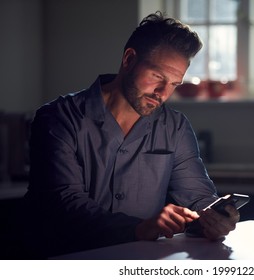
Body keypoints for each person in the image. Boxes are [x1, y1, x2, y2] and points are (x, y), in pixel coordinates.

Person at [22, 11, 240, 258]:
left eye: (174, 84)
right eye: (157, 77)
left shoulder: (175, 127)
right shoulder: (59, 118)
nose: (162, 93)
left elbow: (197, 198)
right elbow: (65, 204)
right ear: (129, 59)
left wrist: (214, 219)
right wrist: (139, 228)